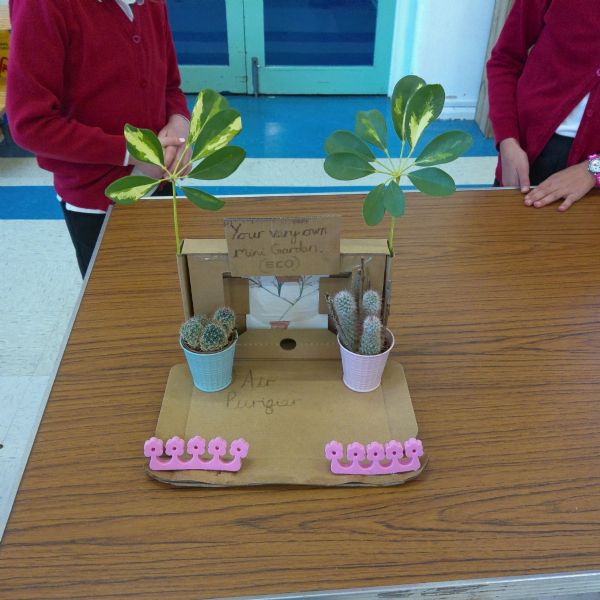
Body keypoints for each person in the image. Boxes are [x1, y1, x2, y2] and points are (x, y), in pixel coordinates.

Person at [7, 0, 191, 276]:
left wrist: (179, 125)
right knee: (116, 294)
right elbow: (30, 125)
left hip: (160, 181)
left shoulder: (151, 4)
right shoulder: (42, 6)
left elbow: (170, 86)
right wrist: (131, 152)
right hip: (96, 199)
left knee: (169, 282)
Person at [486, 0, 600, 211]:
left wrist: (594, 170)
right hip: (524, 153)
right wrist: (507, 139)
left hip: (592, 180)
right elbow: (505, 59)